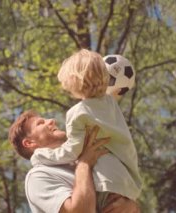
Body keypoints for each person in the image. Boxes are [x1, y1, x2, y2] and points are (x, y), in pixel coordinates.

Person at [30, 49, 143, 210]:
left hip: (105, 184)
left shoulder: (78, 114)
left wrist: (41, 155)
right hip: (125, 183)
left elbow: (72, 151)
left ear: (75, 82)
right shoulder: (111, 105)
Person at [8, 110, 140, 212]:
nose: (52, 121)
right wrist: (84, 163)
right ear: (29, 143)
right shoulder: (37, 176)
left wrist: (130, 205)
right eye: (40, 123)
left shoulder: (84, 159)